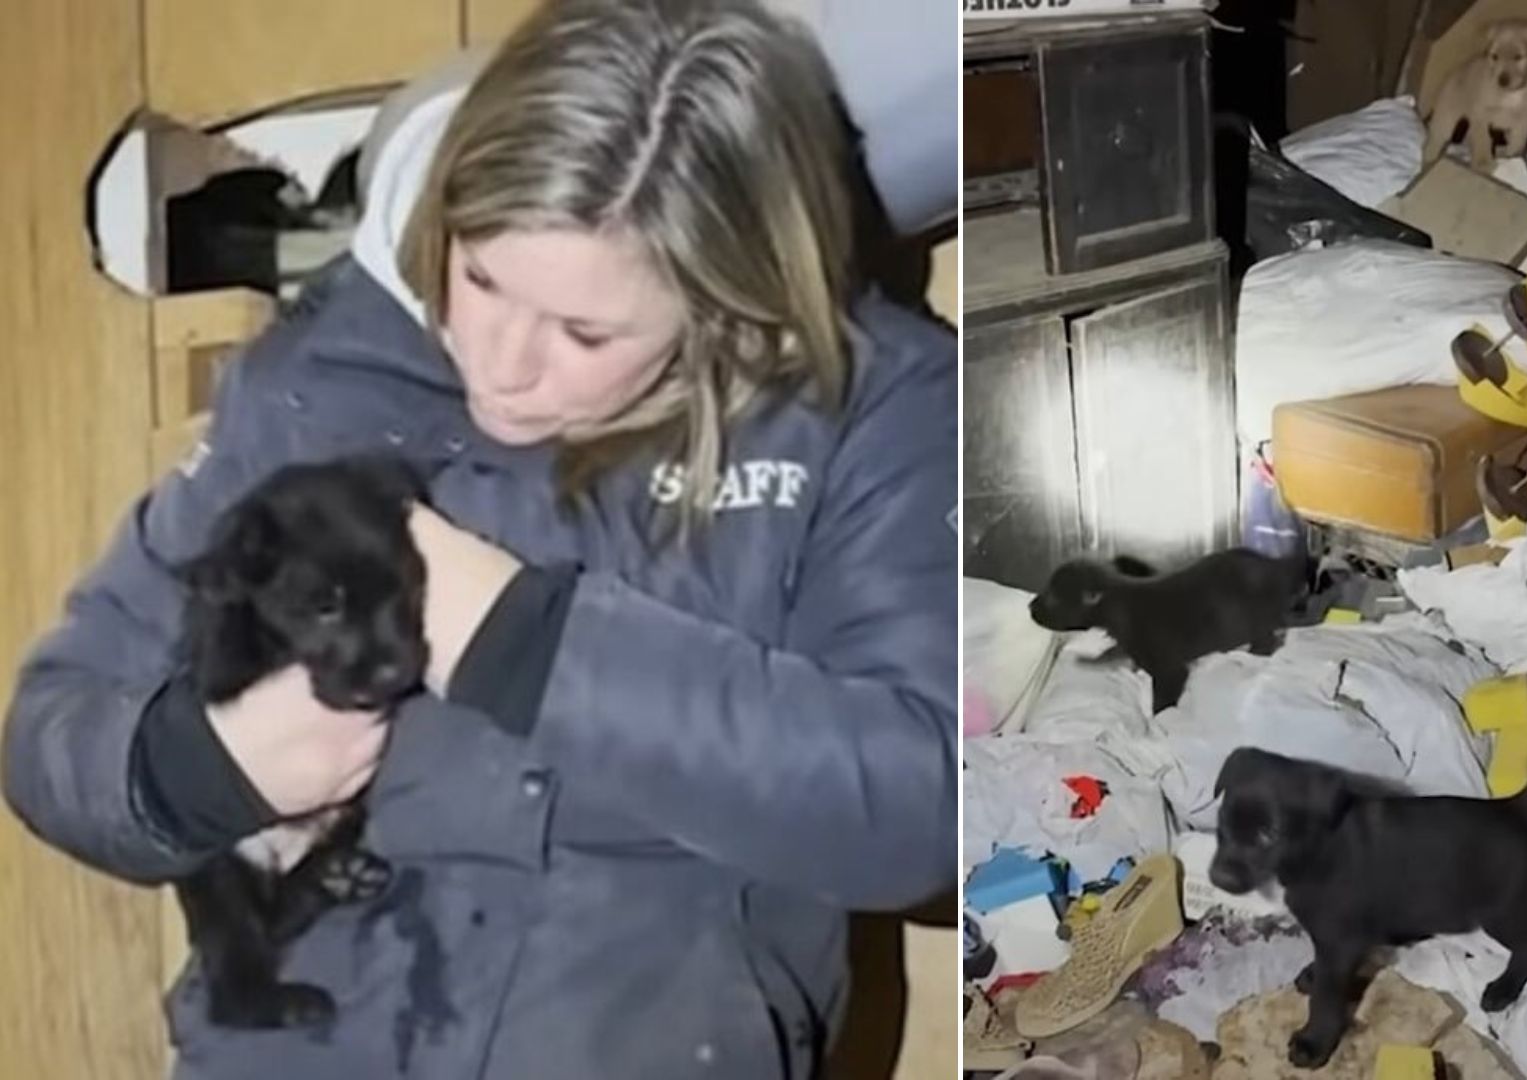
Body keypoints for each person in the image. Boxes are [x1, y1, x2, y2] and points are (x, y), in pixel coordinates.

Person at [1, 1, 957, 1077]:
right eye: (482, 277)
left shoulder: (870, 406)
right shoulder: (316, 383)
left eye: (584, 333)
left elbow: (922, 812)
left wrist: (527, 641)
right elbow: (52, 724)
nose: (499, 362)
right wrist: (197, 766)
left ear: (720, 301)